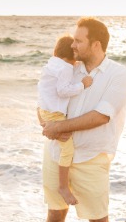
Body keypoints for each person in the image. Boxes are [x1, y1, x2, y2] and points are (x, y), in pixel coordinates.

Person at [31, 17, 126, 222]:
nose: (72, 44)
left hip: (91, 157)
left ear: (96, 44)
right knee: (54, 215)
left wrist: (60, 126)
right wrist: (45, 124)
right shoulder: (68, 67)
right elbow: (43, 100)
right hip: (55, 154)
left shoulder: (118, 75)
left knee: (99, 220)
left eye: (78, 40)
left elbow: (101, 115)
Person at [37, 34, 93, 206]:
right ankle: (63, 186)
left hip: (43, 109)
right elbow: (63, 90)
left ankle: (50, 130)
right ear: (73, 55)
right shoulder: (66, 69)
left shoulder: (51, 63)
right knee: (67, 150)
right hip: (54, 114)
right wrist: (83, 84)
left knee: (60, 138)